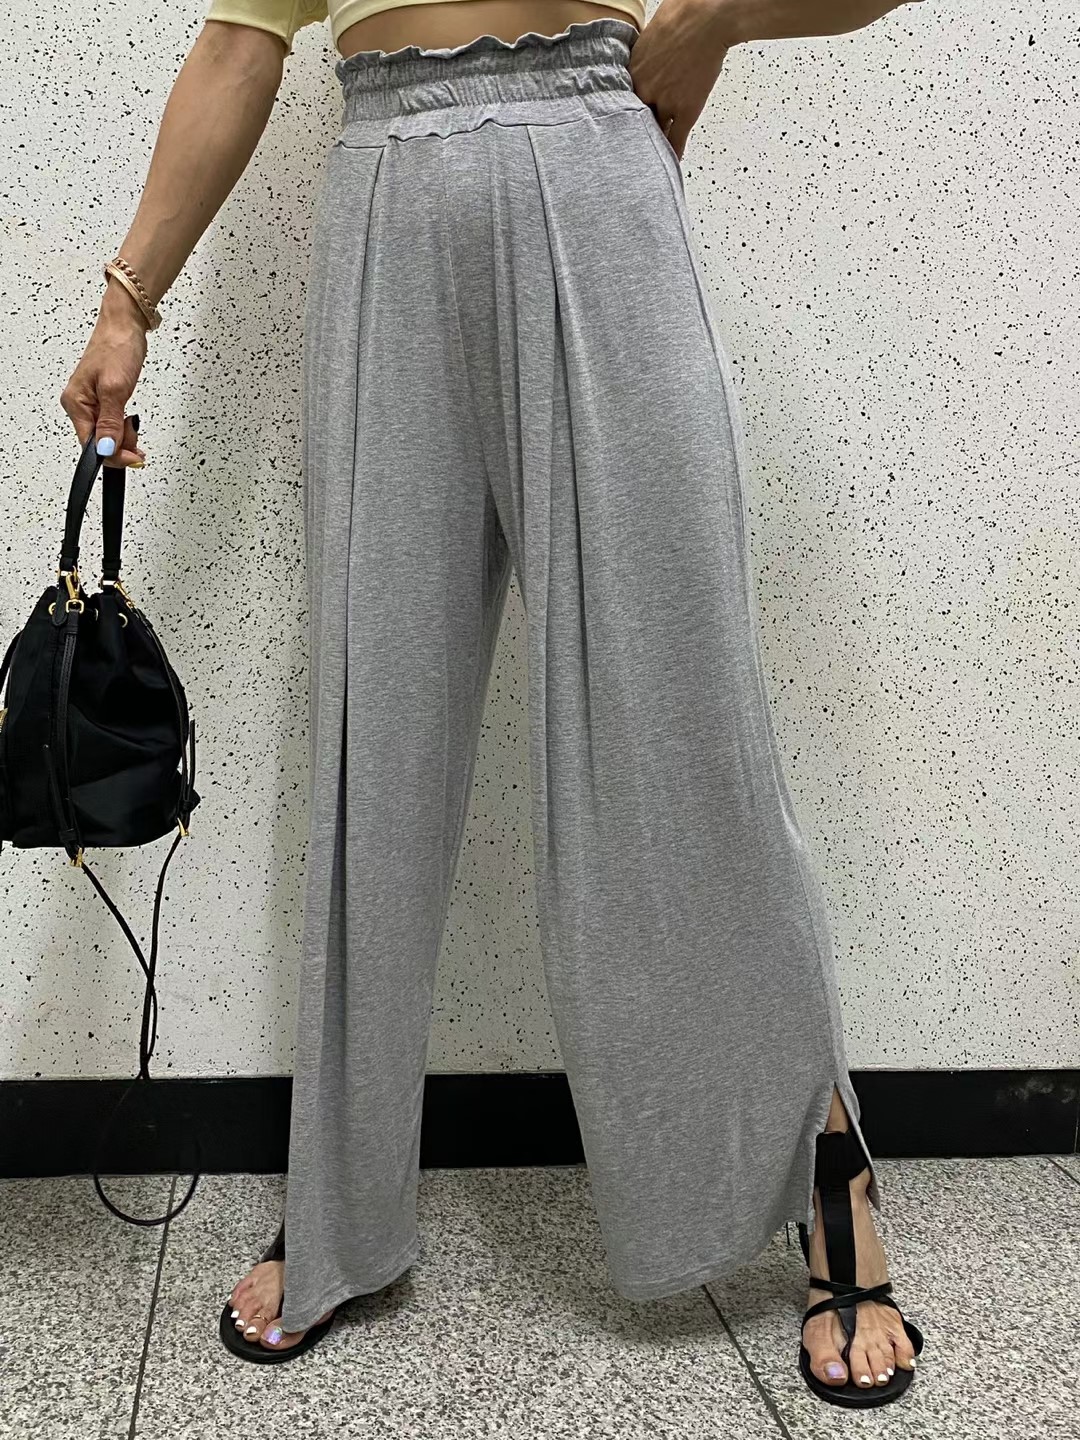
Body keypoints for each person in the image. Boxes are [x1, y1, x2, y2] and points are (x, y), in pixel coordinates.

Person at [60, 0, 926, 1406]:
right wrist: (125, 304)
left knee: (686, 722)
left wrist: (712, 22)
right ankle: (344, 1204)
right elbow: (238, 43)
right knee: (376, 734)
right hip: (385, 198)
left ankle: (825, 1165)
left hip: (593, 157)